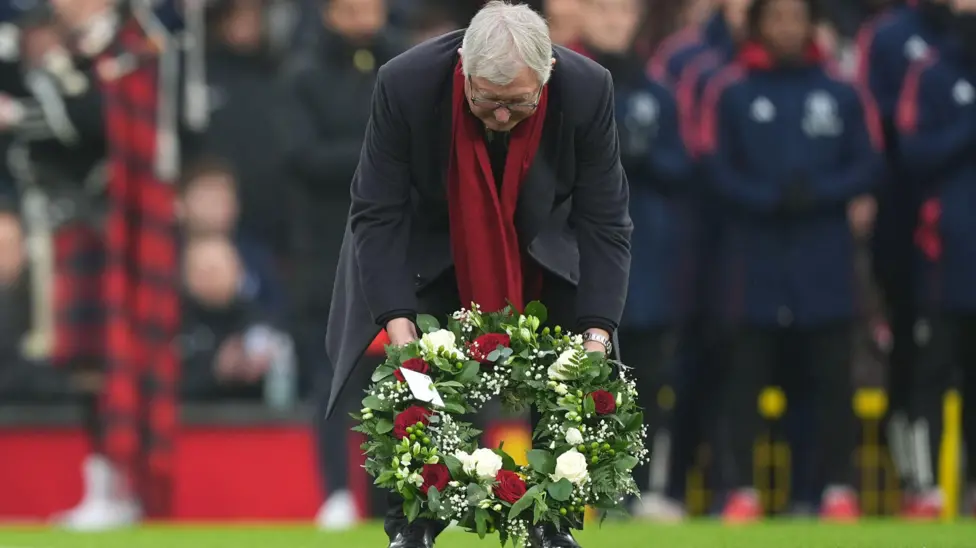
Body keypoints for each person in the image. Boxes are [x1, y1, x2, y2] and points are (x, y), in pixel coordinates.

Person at [325, 2, 631, 546]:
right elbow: (376, 212)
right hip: (431, 247)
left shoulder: (588, 89)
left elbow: (606, 222)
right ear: (463, 66)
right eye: (486, 100)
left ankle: (552, 527)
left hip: (542, 248)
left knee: (576, 369)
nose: (500, 117)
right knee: (416, 376)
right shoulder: (405, 83)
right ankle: (412, 529)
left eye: (518, 103)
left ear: (548, 74)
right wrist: (398, 324)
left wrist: (598, 333)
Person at [698, 0, 884, 522]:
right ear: (759, 25)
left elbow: (870, 163)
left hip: (824, 264)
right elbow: (712, 166)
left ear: (810, 24)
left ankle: (831, 491)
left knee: (827, 382)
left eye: (795, 17)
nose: (786, 27)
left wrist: (818, 193)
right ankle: (741, 492)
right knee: (745, 383)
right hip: (752, 265)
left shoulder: (841, 90)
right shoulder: (731, 89)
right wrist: (766, 197)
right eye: (775, 17)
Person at [282, 0, 406, 532]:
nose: (363, 18)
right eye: (351, 8)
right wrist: (380, 157)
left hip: (397, 252)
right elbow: (302, 156)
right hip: (327, 254)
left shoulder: (402, 70)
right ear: (329, 13)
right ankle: (335, 492)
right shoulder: (301, 75)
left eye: (370, 8)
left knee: (400, 382)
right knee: (334, 380)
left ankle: (393, 496)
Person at [571, 0, 693, 521]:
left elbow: (686, 164)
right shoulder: (566, 85)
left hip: (646, 254)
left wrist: (640, 155)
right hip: (584, 254)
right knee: (587, 378)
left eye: (622, 11)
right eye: (602, 11)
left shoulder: (656, 91)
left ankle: (634, 489)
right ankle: (585, 488)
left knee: (643, 378)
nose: (614, 21)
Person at [854, 0, 953, 516]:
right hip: (910, 226)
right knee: (915, 356)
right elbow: (876, 128)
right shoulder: (889, 36)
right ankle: (917, 484)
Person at [895, 0, 976, 518]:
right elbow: (910, 150)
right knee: (929, 372)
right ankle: (923, 488)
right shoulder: (931, 70)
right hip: (944, 256)